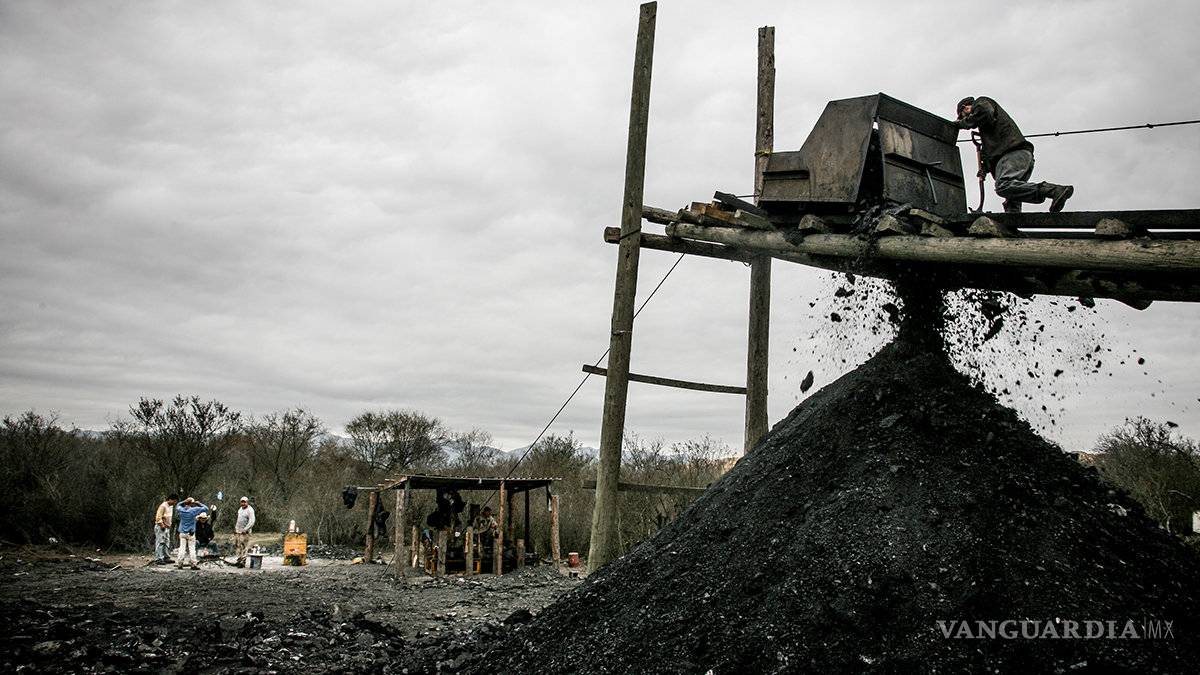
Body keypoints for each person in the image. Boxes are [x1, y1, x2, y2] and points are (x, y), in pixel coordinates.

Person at [955, 96, 1074, 213]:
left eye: (964, 116)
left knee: (1003, 186)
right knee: (1013, 197)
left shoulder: (981, 102)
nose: (966, 119)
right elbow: (991, 154)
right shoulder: (986, 130)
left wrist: (960, 124)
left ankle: (1053, 190)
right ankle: (1012, 224)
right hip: (1019, 157)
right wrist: (985, 169)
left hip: (1013, 154)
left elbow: (986, 112)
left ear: (965, 108)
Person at [175, 497, 209, 570]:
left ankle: (180, 564)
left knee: (182, 548)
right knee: (192, 549)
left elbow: (177, 505)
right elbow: (206, 508)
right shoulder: (194, 510)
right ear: (191, 503)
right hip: (190, 533)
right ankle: (193, 564)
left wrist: (184, 501)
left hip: (182, 532)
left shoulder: (181, 509)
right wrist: (198, 503)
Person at [153, 494, 179, 564]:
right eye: (174, 501)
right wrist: (162, 525)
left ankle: (166, 557)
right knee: (160, 542)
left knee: (166, 543)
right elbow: (158, 517)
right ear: (170, 499)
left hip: (167, 527)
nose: (174, 502)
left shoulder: (170, 507)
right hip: (161, 527)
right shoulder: (163, 506)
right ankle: (158, 558)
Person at [233, 496, 255, 568]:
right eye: (242, 502)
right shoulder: (240, 509)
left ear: (247, 502)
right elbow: (238, 520)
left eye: (244, 502)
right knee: (238, 546)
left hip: (245, 532)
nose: (243, 503)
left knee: (244, 547)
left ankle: (243, 562)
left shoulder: (250, 510)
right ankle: (239, 560)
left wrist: (245, 530)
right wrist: (236, 529)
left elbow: (252, 521)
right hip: (238, 531)